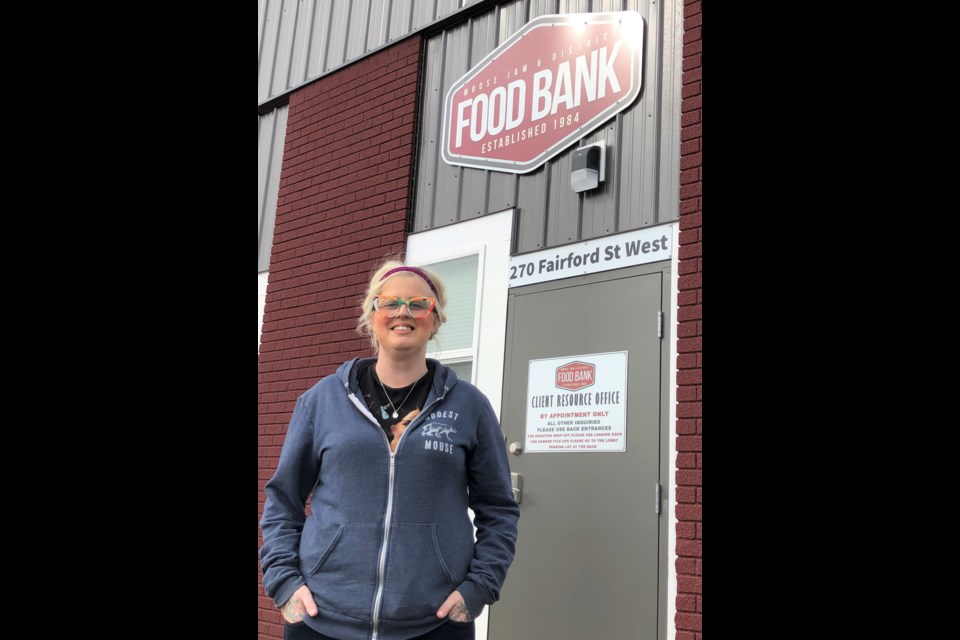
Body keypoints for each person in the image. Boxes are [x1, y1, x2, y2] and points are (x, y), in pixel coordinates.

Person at [260, 259, 520, 640]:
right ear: (371, 316)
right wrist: (284, 582)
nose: (404, 312)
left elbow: (497, 508)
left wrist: (479, 587)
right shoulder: (321, 402)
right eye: (390, 302)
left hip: (434, 623)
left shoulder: (470, 407)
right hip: (321, 619)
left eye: (419, 304)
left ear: (436, 321)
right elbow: (283, 498)